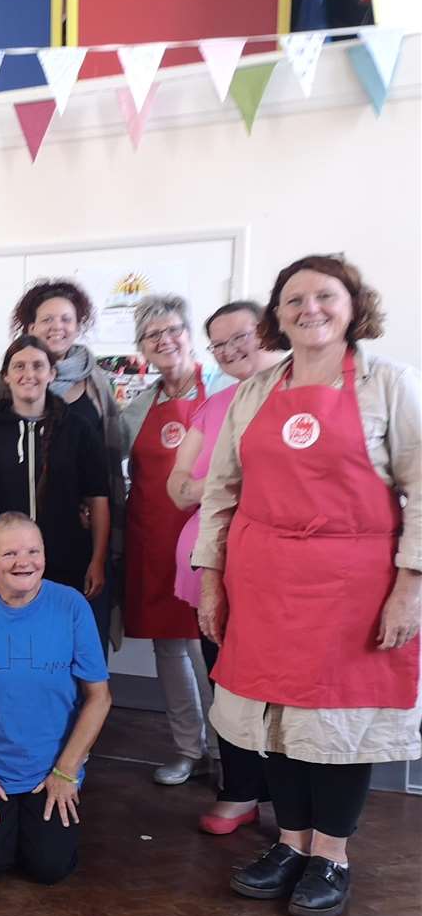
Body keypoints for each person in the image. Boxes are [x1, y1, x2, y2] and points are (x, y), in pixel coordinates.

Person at [196, 255, 421, 916]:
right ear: (277, 314)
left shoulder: (387, 384)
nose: (309, 309)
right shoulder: (254, 394)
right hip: (262, 583)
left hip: (352, 586)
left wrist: (410, 586)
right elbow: (220, 494)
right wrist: (211, 580)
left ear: (353, 306)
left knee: (336, 723)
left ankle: (331, 855)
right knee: (275, 723)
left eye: (325, 296)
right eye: (294, 299)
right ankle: (289, 844)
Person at [0, 513, 112, 885]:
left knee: (49, 867)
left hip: (50, 768)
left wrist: (66, 772)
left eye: (34, 551)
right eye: (10, 553)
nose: (24, 562)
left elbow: (99, 698)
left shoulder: (72, 606)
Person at [167, 302, 283, 834]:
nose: (232, 350)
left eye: (242, 336)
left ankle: (290, 797)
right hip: (208, 567)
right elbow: (177, 489)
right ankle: (240, 790)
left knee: (283, 686)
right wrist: (232, 482)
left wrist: (216, 485)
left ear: (267, 331)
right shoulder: (213, 406)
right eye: (220, 344)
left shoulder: (302, 395)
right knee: (227, 682)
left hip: (280, 572)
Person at [122, 295, 232, 786]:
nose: (164, 341)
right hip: (154, 537)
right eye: (152, 336)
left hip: (214, 538)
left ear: (190, 335)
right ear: (142, 348)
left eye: (172, 331)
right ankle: (189, 748)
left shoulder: (226, 390)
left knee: (217, 646)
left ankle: (231, 752)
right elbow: (113, 469)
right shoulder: (139, 406)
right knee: (169, 649)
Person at [10, 280, 126, 653]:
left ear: (79, 324)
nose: (56, 326)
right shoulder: (14, 381)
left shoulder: (95, 381)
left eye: (66, 318)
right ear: (30, 327)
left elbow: (112, 452)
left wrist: (98, 516)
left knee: (84, 637)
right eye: (46, 319)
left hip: (87, 530)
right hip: (29, 536)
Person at [0, 337, 110, 617]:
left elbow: (98, 497)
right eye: (19, 366)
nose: (28, 374)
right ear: (6, 376)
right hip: (4, 565)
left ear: (52, 373)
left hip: (67, 559)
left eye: (38, 366)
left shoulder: (78, 429)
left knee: (60, 641)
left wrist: (98, 559)